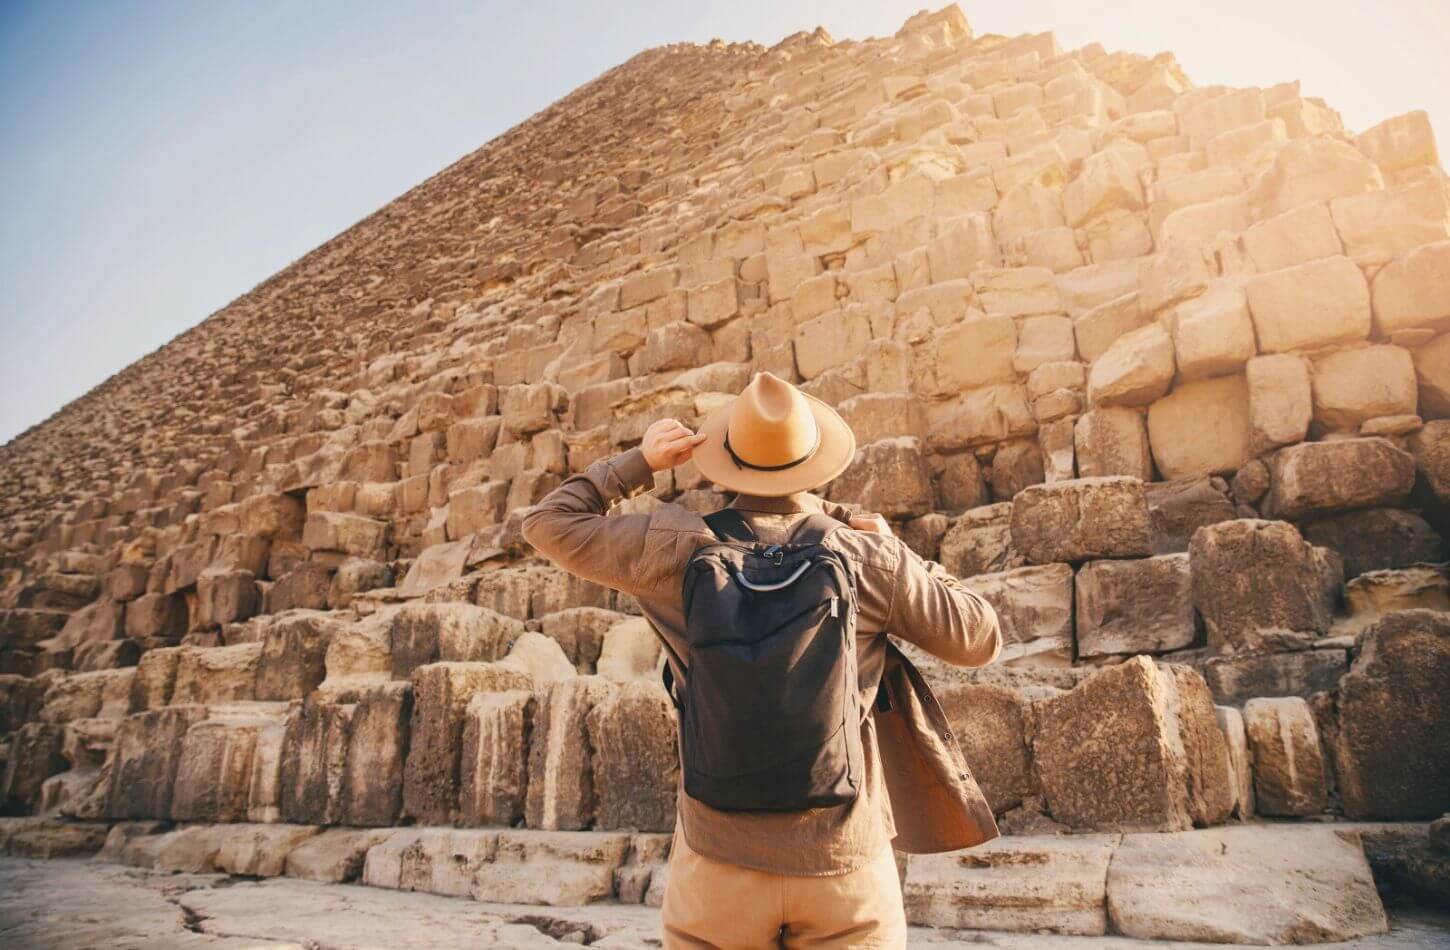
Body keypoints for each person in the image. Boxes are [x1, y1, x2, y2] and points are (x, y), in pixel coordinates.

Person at [522, 371, 1002, 949]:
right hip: (843, 862)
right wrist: (904, 555)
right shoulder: (866, 555)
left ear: (726, 459)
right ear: (816, 458)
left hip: (719, 858)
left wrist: (640, 463)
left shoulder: (672, 547)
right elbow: (979, 637)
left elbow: (548, 523)